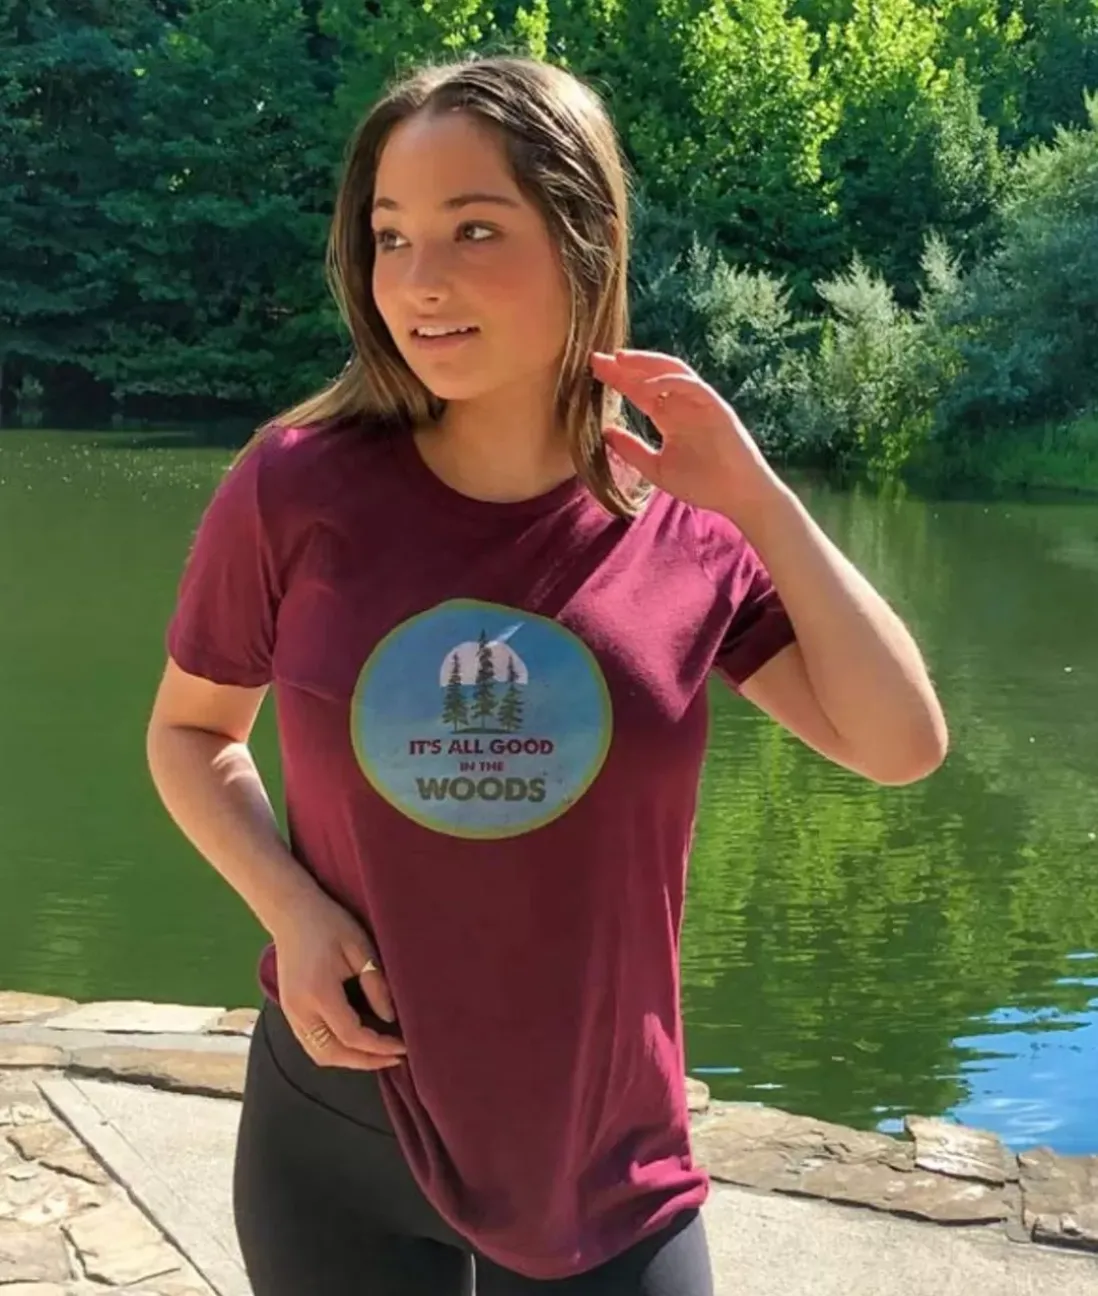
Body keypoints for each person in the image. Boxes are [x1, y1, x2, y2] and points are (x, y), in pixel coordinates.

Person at [146, 53, 947, 1296]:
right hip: (342, 1121)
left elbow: (899, 745)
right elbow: (192, 734)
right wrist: (293, 913)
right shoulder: (295, 486)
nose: (421, 279)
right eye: (391, 236)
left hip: (604, 1156)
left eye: (475, 229)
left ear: (586, 243)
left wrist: (760, 501)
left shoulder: (687, 521)